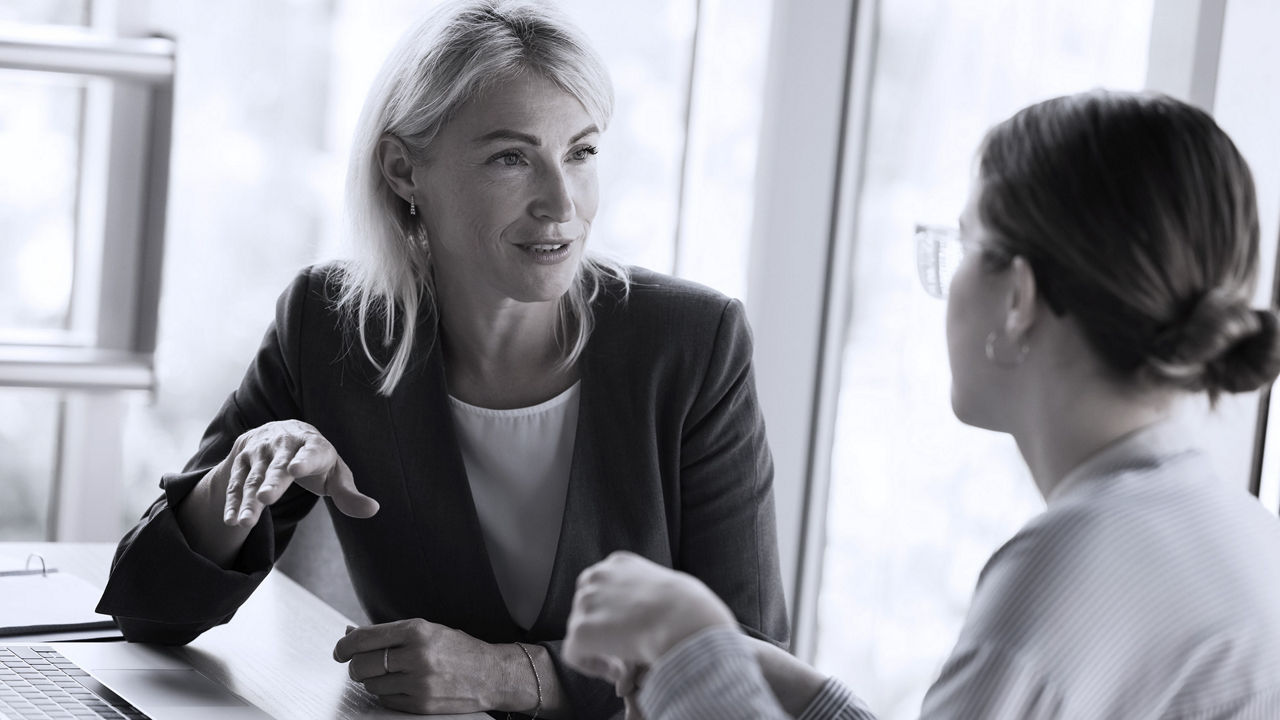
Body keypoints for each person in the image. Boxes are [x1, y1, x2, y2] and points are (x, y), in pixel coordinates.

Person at [95, 1, 789, 717]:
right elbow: (147, 609)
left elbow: (753, 663)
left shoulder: (692, 343)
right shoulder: (333, 328)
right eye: (511, 158)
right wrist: (240, 477)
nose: (561, 203)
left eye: (580, 152)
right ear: (403, 170)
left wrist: (508, 676)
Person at [562, 90, 1280, 719]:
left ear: (1020, 297)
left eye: (965, 243)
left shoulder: (1071, 563)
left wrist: (692, 649)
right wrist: (782, 682)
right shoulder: (1234, 526)